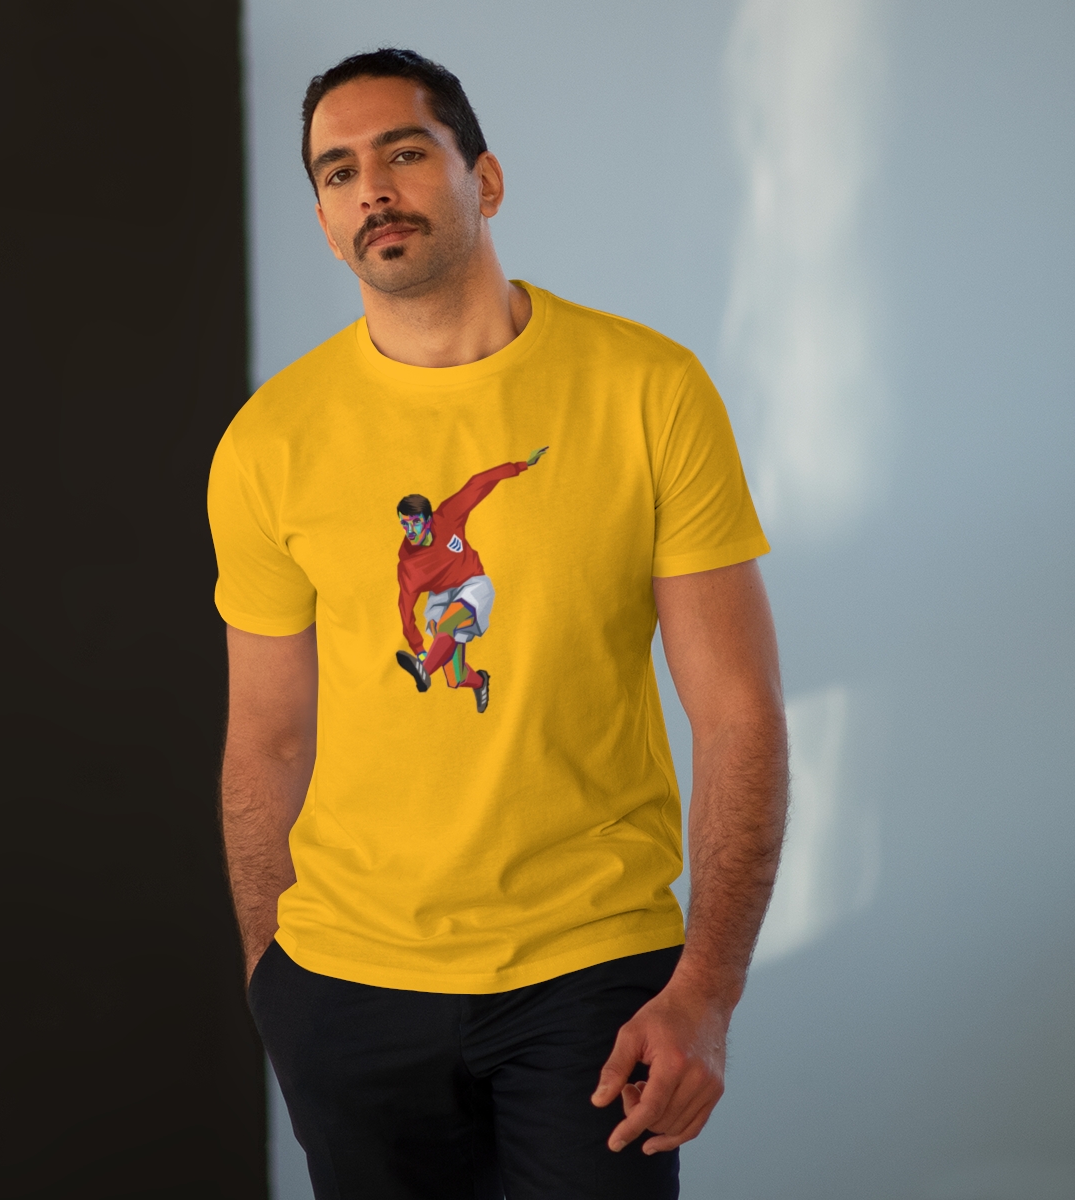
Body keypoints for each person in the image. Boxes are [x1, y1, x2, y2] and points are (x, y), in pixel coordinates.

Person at [209, 47, 787, 1200]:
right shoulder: (270, 443)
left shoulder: (647, 390)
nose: (372, 188)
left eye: (404, 152)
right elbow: (267, 739)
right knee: (435, 634)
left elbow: (738, 714)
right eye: (337, 172)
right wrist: (275, 983)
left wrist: (709, 992)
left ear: (487, 178)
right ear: (324, 222)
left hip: (590, 976)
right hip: (347, 988)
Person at [394, 448, 548, 711]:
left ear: (429, 520)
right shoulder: (408, 567)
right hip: (441, 597)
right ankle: (480, 681)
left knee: (447, 624)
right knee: (455, 677)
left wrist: (521, 465)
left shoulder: (447, 517)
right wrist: (418, 648)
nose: (410, 531)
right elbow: (405, 611)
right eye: (404, 524)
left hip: (473, 585)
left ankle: (425, 671)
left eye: (415, 522)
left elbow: (479, 483)